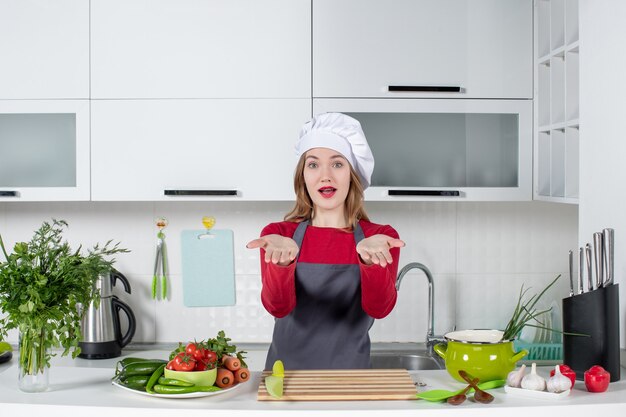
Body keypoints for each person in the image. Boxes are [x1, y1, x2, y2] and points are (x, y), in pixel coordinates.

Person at [246, 112, 405, 370]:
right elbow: (277, 307)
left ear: (352, 175)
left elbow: (379, 308)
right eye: (313, 164)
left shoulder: (379, 237)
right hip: (285, 379)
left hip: (351, 380)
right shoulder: (279, 235)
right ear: (303, 177)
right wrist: (282, 264)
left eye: (338, 164)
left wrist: (370, 261)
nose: (325, 176)